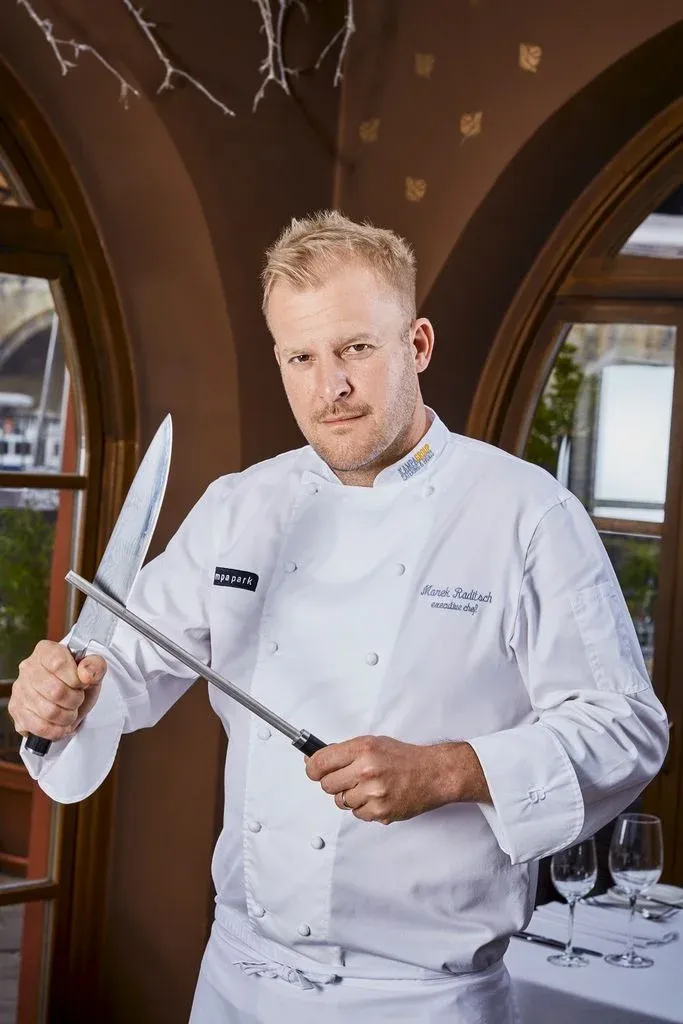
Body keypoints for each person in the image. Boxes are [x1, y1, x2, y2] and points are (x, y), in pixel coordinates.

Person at [9, 211, 669, 1024]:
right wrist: (58, 693)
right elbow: (118, 669)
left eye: (355, 348)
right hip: (236, 978)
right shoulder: (239, 506)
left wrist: (450, 770)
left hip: (419, 1000)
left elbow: (626, 728)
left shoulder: (525, 513)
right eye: (301, 357)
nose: (331, 388)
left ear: (416, 345)